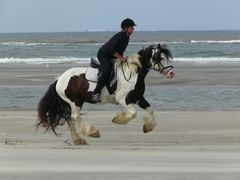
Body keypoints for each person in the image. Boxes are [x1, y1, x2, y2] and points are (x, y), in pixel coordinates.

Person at [92, 18, 136, 102]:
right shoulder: (120, 36)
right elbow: (112, 50)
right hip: (103, 55)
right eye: (131, 27)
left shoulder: (127, 37)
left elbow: (120, 50)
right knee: (106, 71)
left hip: (112, 56)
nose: (133, 29)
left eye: (133, 28)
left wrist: (124, 59)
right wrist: (121, 58)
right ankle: (96, 93)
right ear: (126, 28)